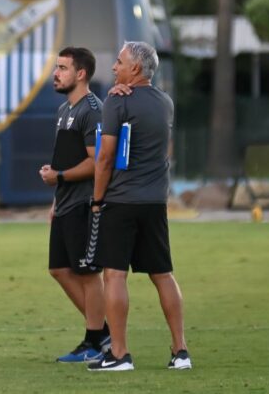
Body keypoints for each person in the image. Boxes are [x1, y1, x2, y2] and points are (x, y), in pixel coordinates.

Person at [86, 41, 191, 372]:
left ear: (134, 69)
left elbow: (104, 158)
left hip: (121, 200)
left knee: (114, 275)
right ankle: (181, 351)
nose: (114, 67)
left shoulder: (116, 102)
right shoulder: (166, 103)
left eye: (119, 62)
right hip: (155, 201)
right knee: (163, 274)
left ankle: (119, 354)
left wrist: (98, 199)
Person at [39, 47, 110, 363]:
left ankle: (94, 342)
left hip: (85, 204)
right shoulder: (63, 111)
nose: (56, 73)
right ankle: (104, 331)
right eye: (56, 67)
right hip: (65, 203)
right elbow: (65, 158)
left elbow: (97, 163)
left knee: (87, 274)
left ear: (81, 74)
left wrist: (60, 177)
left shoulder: (92, 109)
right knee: (58, 269)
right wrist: (56, 195)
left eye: (63, 68)